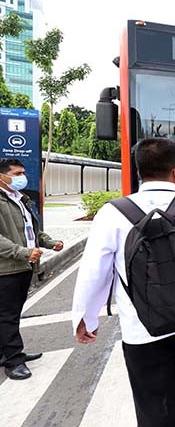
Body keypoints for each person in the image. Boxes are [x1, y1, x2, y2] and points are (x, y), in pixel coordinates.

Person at [72, 138, 175, 426]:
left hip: (142, 328)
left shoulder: (113, 212)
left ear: (139, 170)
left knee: (152, 400)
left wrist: (86, 318)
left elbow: (95, 271)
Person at [0, 158, 63, 380]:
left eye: (22, 173)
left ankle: (6, 352)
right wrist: (23, 252)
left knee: (12, 313)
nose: (22, 177)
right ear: (2, 177)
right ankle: (13, 360)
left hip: (24, 266)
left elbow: (30, 230)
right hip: (6, 269)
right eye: (16, 174)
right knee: (7, 316)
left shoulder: (20, 199)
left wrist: (49, 242)